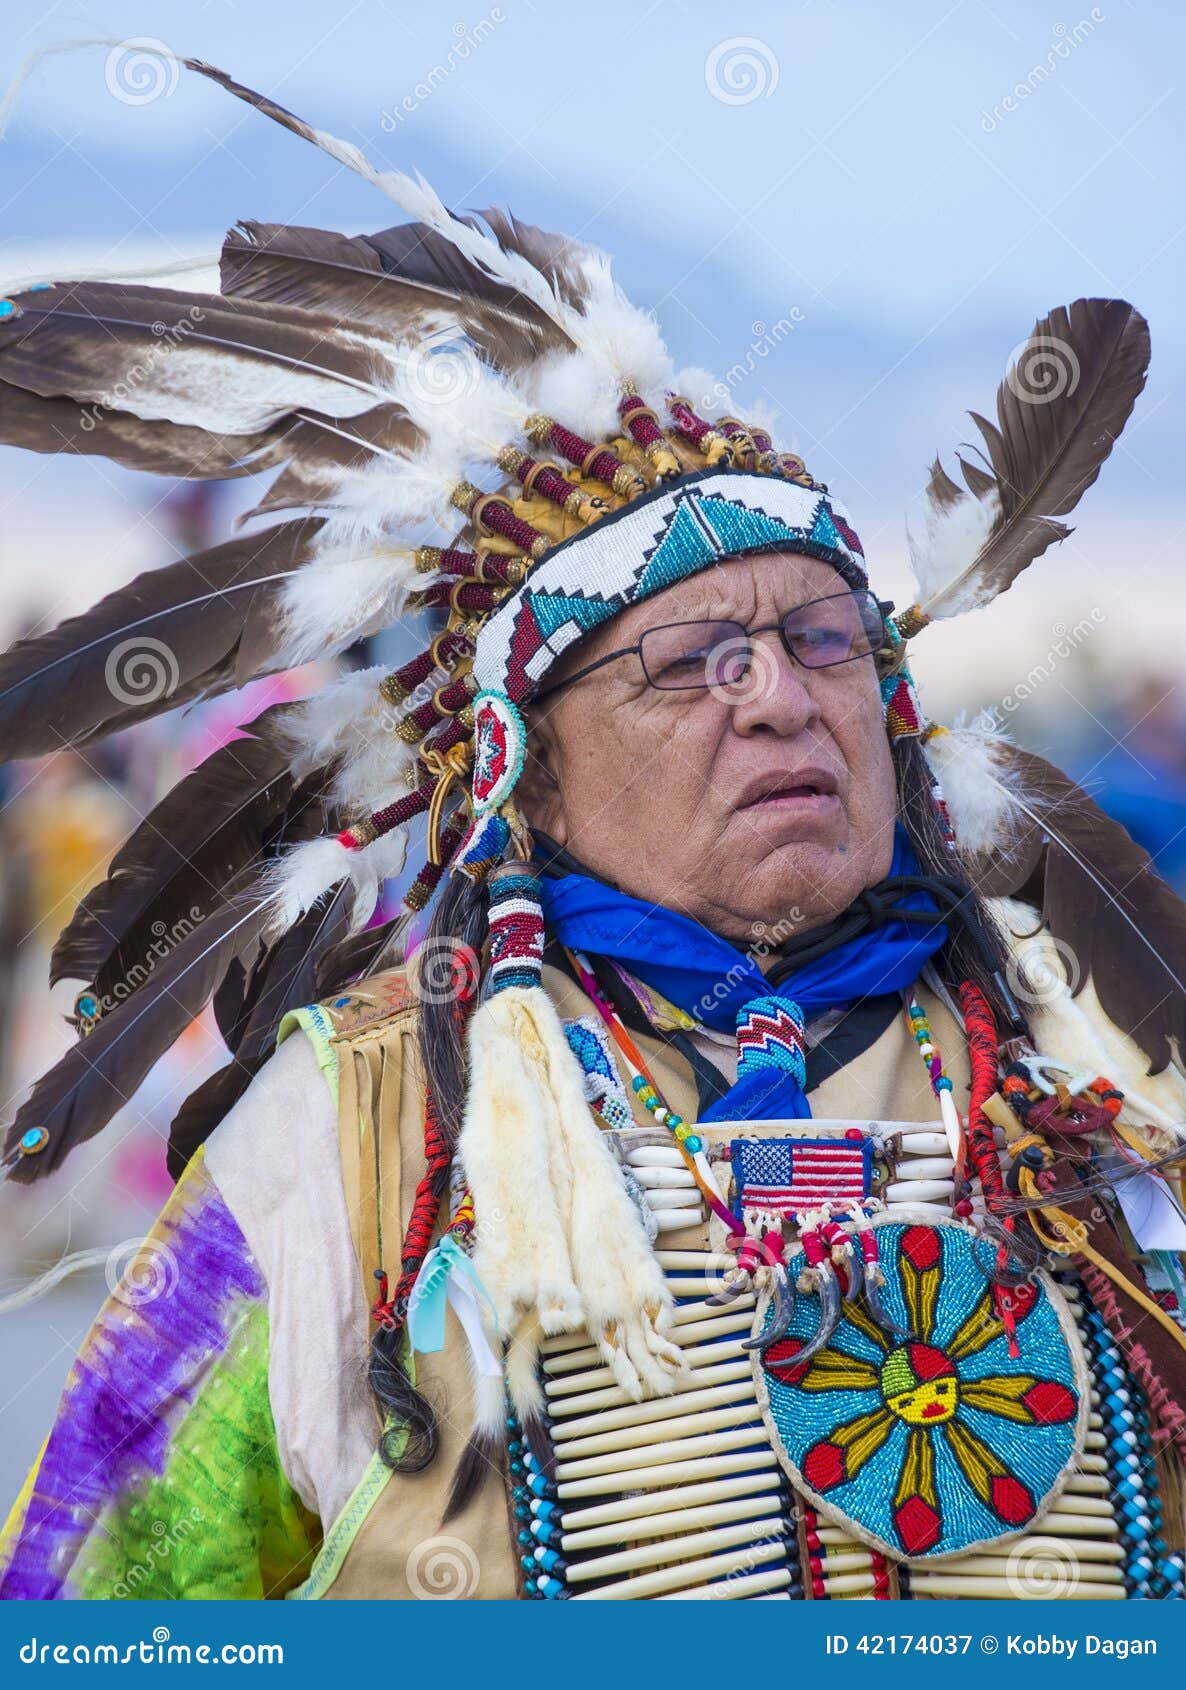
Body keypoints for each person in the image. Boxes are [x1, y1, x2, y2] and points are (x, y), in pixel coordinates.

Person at [2, 58, 1185, 1603]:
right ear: (529, 780)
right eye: (689, 664)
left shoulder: (1095, 1077)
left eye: (825, 643)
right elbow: (98, 1612)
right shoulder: (353, 1134)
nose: (777, 703)